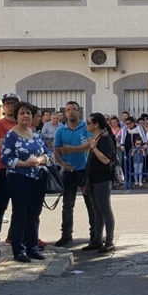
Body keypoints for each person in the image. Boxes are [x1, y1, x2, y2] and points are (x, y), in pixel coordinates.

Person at [1, 103, 51, 263]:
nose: (26, 116)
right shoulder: (11, 135)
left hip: (37, 178)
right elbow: (5, 158)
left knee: (34, 214)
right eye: (22, 113)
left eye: (28, 113)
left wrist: (39, 160)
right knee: (20, 214)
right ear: (16, 116)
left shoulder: (35, 134)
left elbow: (47, 153)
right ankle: (19, 250)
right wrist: (24, 163)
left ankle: (33, 247)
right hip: (19, 179)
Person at [53, 101, 96, 247]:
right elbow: (57, 151)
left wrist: (71, 149)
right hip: (69, 171)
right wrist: (62, 163)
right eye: (68, 110)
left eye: (74, 109)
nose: (71, 112)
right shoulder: (60, 130)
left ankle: (95, 235)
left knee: (90, 203)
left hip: (85, 170)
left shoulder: (86, 127)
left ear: (79, 112)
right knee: (67, 204)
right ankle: (66, 235)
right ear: (65, 113)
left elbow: (89, 145)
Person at [0, 93, 20, 255]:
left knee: (19, 206)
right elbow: (2, 145)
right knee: (0, 207)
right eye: (8, 103)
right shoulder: (0, 124)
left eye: (14, 103)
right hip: (3, 168)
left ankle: (13, 237)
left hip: (21, 170)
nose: (11, 106)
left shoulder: (23, 123)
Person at [84, 113, 117, 253]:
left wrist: (93, 147)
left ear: (96, 124)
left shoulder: (105, 139)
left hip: (103, 179)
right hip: (93, 179)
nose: (87, 125)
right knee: (97, 211)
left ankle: (109, 242)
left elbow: (106, 160)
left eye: (89, 122)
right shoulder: (96, 138)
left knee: (105, 210)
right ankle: (97, 240)